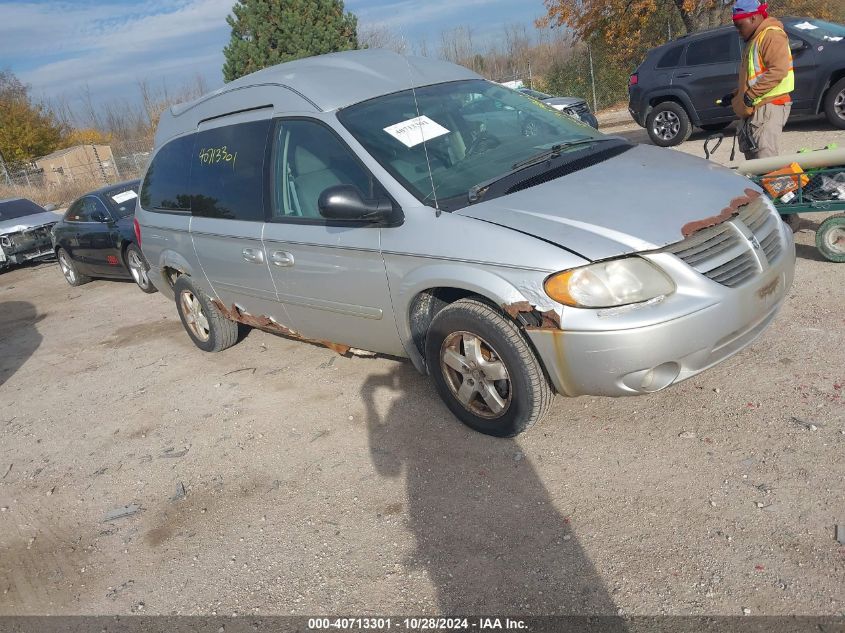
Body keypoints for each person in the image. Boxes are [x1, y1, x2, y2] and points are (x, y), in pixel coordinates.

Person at [724, 0, 795, 160]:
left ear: (754, 18)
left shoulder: (772, 35)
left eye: (739, 25)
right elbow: (753, 76)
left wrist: (750, 95)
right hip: (757, 105)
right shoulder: (755, 39)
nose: (738, 31)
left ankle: (773, 186)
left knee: (765, 160)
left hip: (770, 105)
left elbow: (778, 71)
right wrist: (736, 94)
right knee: (754, 161)